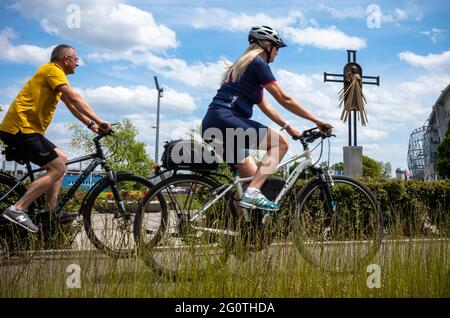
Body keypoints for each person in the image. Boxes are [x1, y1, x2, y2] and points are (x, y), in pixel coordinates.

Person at [201, 25, 333, 211]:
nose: (278, 53)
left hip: (212, 124)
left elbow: (264, 105)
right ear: (267, 45)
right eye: (277, 47)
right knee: (281, 144)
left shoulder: (243, 66)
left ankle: (240, 234)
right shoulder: (257, 63)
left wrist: (287, 126)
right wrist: (317, 121)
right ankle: (252, 193)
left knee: (251, 181)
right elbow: (284, 98)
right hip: (225, 121)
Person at [0, 44, 112, 233]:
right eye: (76, 59)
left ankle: (49, 211)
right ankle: (17, 209)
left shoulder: (55, 77)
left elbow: (71, 105)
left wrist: (91, 125)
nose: (78, 64)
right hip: (20, 128)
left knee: (62, 159)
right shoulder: (52, 70)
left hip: (29, 130)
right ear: (66, 59)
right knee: (57, 167)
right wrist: (100, 120)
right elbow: (74, 97)